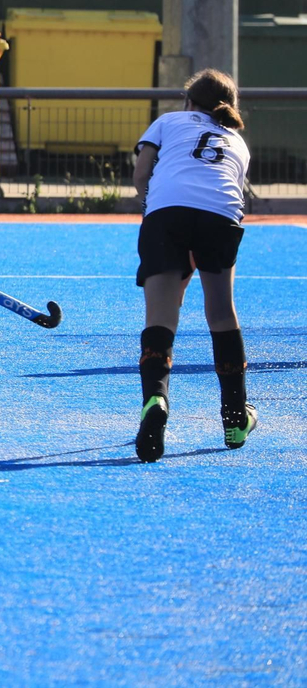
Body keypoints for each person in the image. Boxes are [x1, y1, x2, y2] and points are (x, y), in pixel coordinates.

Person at [129, 69, 257, 463]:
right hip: (220, 215)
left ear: (189, 102)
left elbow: (141, 174)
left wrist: (156, 213)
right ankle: (235, 415)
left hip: (168, 212)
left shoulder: (167, 121)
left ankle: (157, 400)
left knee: (161, 316)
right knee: (221, 312)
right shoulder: (237, 141)